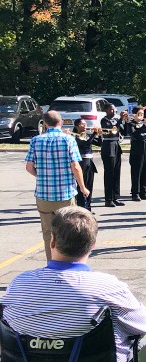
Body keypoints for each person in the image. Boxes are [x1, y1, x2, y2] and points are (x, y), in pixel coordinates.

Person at [1, 206, 146, 362]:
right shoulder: (107, 287)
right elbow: (145, 324)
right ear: (92, 245)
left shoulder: (19, 284)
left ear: (52, 241)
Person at [25, 110, 90, 261]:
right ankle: (67, 263)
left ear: (45, 124)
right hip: (65, 194)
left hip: (43, 195)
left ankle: (51, 265)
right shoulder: (68, 140)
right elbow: (75, 166)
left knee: (48, 233)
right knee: (68, 232)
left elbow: (29, 167)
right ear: (60, 123)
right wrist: (82, 187)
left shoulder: (36, 140)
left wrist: (41, 176)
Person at [100, 104, 128, 206]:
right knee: (109, 174)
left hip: (116, 146)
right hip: (108, 146)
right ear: (106, 110)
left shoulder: (117, 120)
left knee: (116, 173)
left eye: (114, 109)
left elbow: (124, 131)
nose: (114, 110)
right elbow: (113, 130)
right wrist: (120, 119)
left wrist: (126, 122)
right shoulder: (104, 120)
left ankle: (116, 197)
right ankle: (108, 199)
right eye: (111, 109)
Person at [71, 118, 100, 212]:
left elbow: (100, 143)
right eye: (82, 124)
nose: (85, 126)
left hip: (90, 161)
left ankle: (88, 206)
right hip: (81, 162)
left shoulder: (87, 135)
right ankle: (82, 207)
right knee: (82, 185)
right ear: (77, 126)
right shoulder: (75, 136)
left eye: (85, 124)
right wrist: (94, 134)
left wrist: (99, 134)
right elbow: (85, 143)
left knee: (89, 184)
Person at [126, 107, 146, 202]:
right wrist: (144, 126)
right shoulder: (131, 124)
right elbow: (134, 135)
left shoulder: (144, 124)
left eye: (142, 114)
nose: (141, 116)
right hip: (137, 149)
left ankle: (143, 192)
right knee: (136, 172)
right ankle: (135, 193)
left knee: (145, 171)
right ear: (134, 115)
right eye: (139, 114)